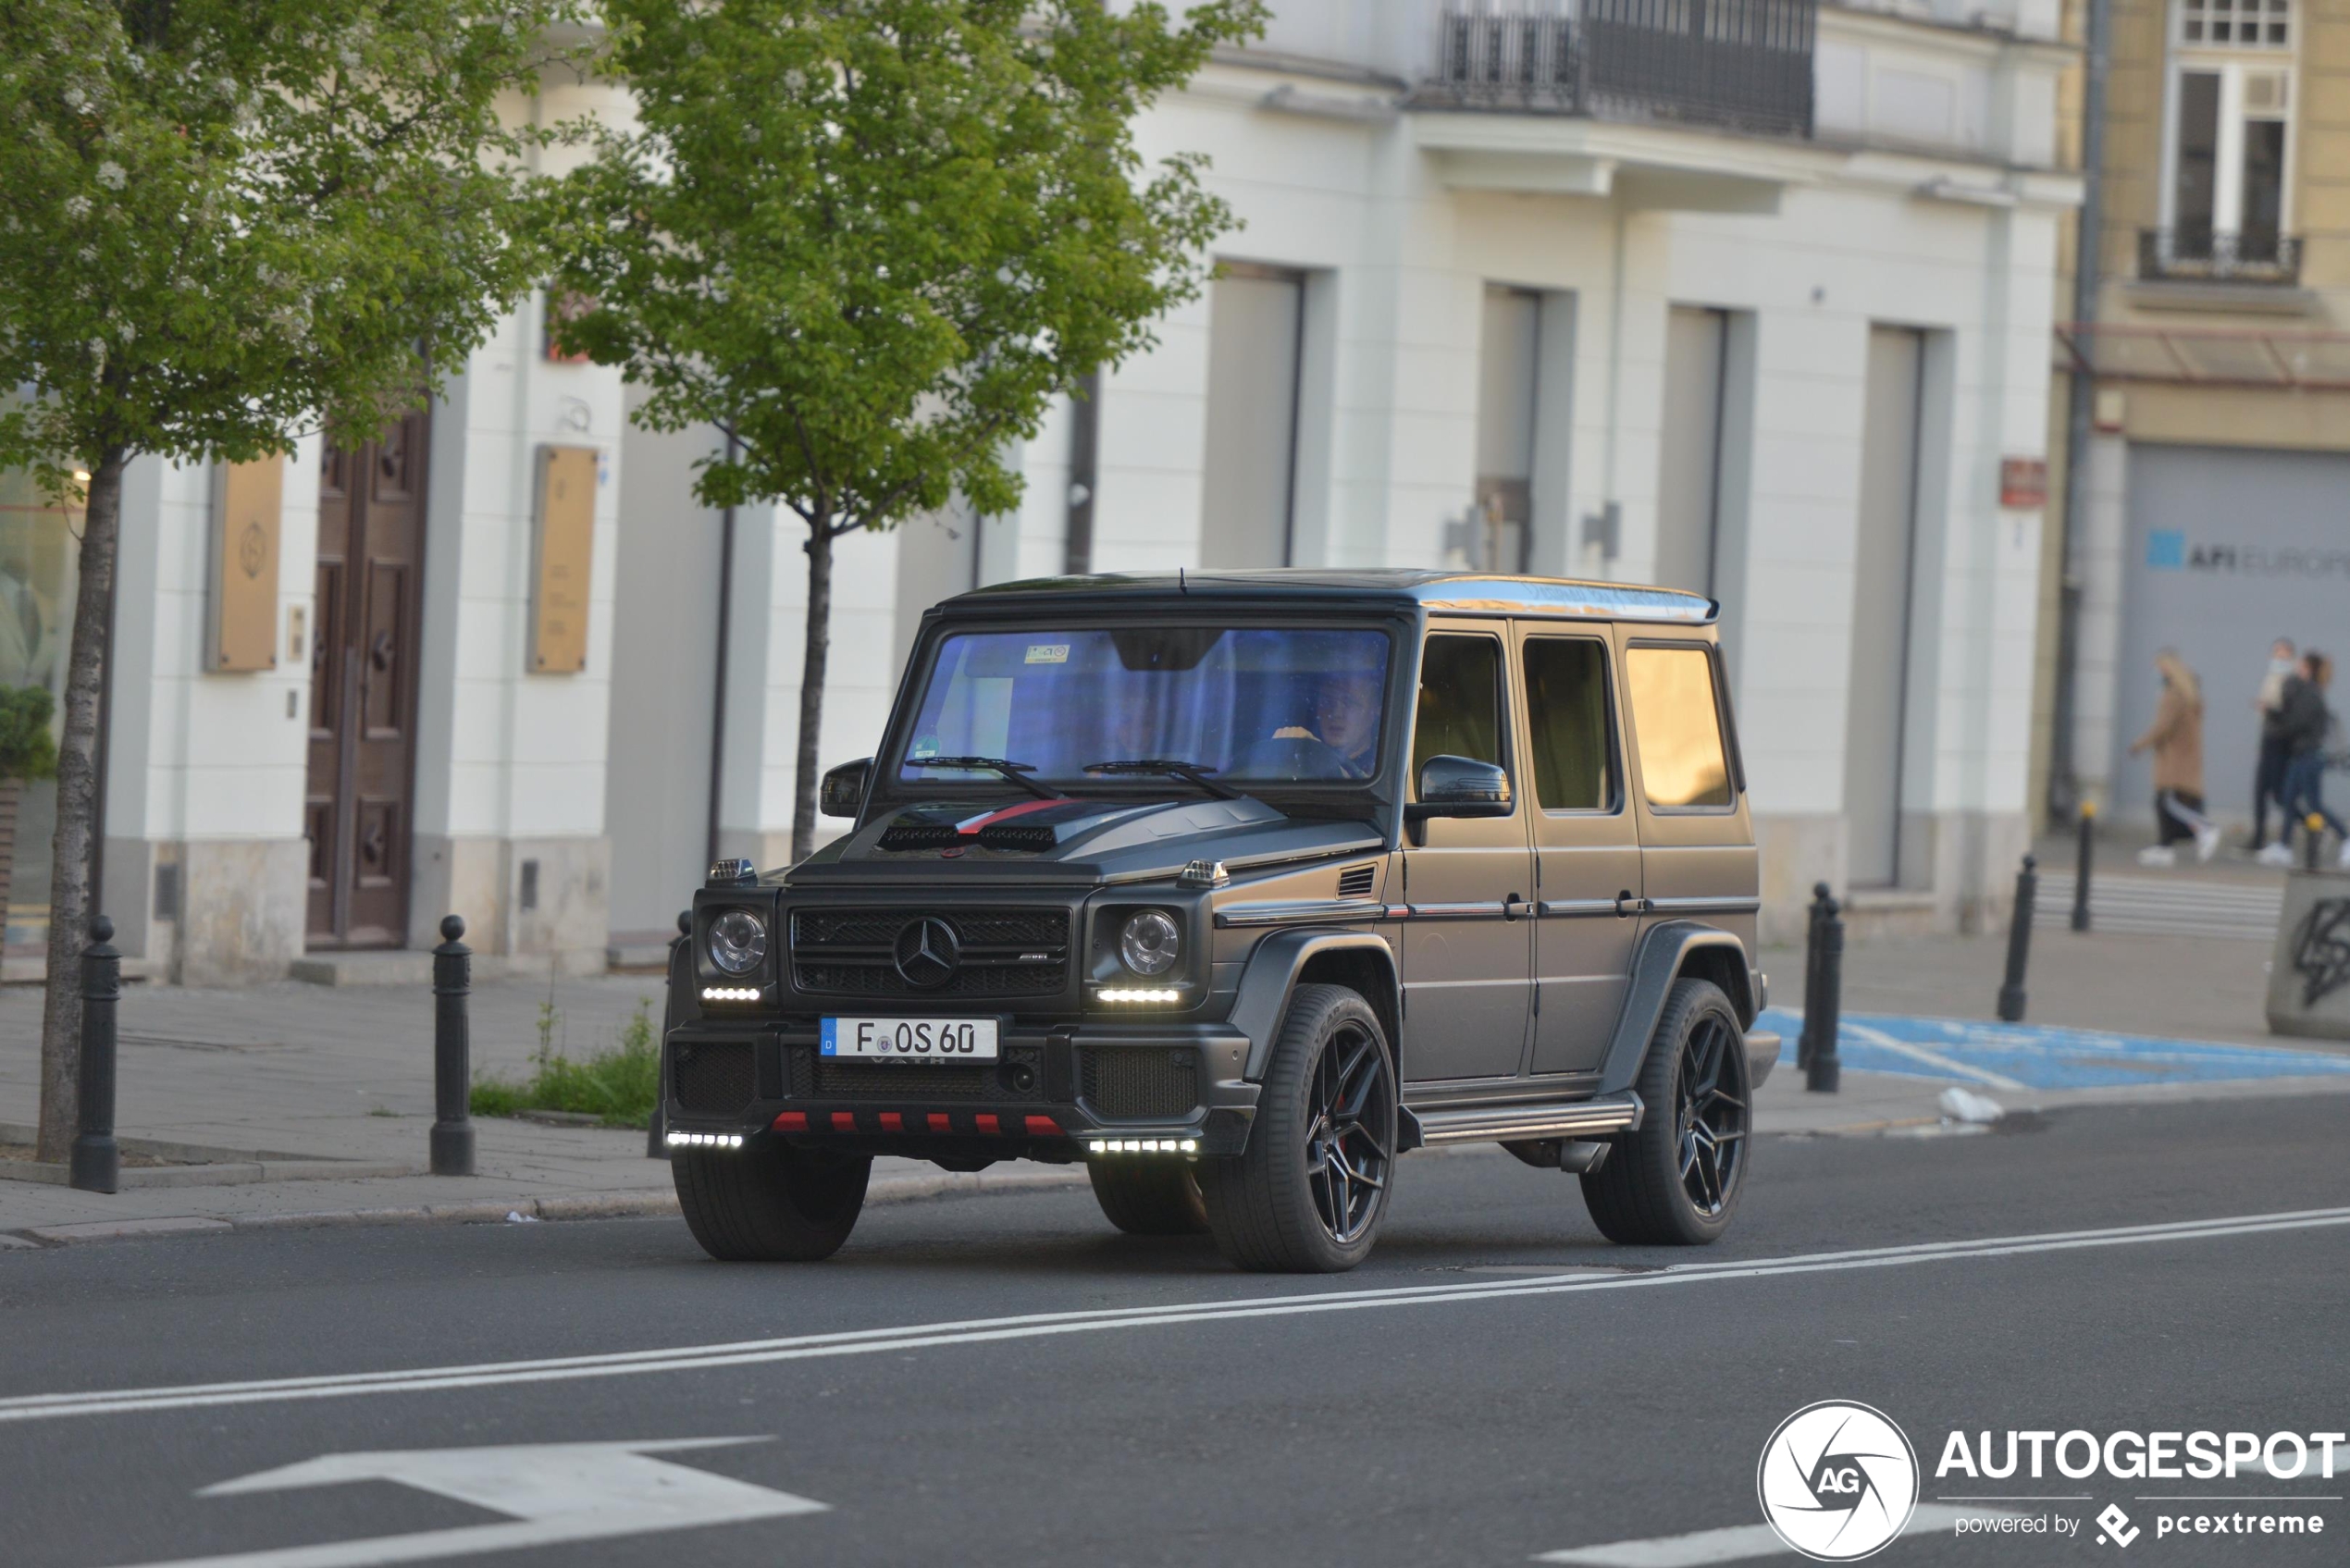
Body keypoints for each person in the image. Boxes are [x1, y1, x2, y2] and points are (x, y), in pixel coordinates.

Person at [2129, 649, 2220, 866]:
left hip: (2174, 759)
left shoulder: (2173, 695)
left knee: (2166, 803)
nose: (2157, 672)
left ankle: (2203, 829)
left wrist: (2139, 745)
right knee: (2169, 803)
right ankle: (2165, 846)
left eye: (2159, 668)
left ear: (2169, 669)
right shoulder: (2190, 693)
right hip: (2185, 756)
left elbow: (2162, 727)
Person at [2265, 650, 2350, 868]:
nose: (2296, 668)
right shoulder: (2307, 691)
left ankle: (2345, 837)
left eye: (2300, 666)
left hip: (2310, 756)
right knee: (2288, 799)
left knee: (2314, 805)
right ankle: (2284, 846)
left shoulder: (2311, 693)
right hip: (2300, 755)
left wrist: (2274, 715)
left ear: (2309, 669)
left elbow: (2296, 723)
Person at [2248, 637, 2295, 852]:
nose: (2279, 658)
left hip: (2281, 742)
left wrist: (2268, 708)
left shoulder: (2292, 681)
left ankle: (2314, 825)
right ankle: (2258, 838)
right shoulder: (2270, 678)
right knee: (2260, 791)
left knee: (2278, 794)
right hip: (2267, 739)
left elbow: (2289, 715)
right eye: (2276, 653)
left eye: (2284, 654)